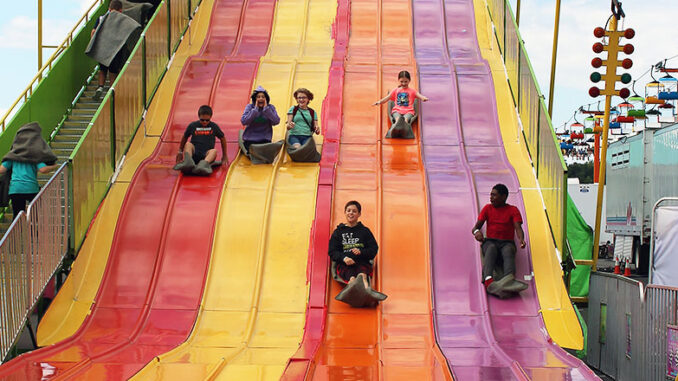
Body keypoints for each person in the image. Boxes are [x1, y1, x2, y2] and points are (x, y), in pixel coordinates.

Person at [471, 184, 527, 295]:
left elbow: (518, 227)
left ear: (503, 197)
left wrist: (521, 239)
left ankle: (509, 279)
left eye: (494, 195)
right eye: (491, 195)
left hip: (506, 242)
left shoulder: (512, 210)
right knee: (491, 248)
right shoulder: (488, 208)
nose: (491, 197)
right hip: (490, 241)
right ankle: (488, 279)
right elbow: (475, 228)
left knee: (508, 250)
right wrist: (477, 233)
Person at [0, 123, 59, 219]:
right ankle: (33, 232)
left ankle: (18, 233)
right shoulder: (34, 155)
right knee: (35, 215)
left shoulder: (13, 156)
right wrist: (54, 167)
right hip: (31, 188)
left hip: (15, 189)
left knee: (17, 217)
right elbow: (43, 169)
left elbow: (2, 170)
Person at [88, 0, 140, 101]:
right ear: (120, 10)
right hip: (115, 50)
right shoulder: (123, 20)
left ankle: (100, 87)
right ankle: (112, 91)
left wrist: (94, 44)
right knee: (113, 71)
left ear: (109, 9)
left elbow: (93, 31)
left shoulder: (101, 18)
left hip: (102, 49)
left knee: (102, 69)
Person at [328, 200, 379, 288]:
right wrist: (344, 258)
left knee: (362, 276)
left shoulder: (365, 231)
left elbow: (373, 249)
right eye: (349, 211)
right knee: (351, 278)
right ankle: (352, 289)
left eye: (354, 211)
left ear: (359, 214)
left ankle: (366, 292)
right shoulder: (338, 232)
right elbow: (332, 251)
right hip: (345, 264)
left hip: (361, 262)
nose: (351, 213)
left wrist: (361, 252)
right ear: (345, 212)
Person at [174, 105, 227, 176]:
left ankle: (203, 164)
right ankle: (188, 161)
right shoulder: (193, 125)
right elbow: (185, 137)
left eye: (207, 120)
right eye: (202, 120)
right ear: (199, 116)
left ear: (210, 117)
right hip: (194, 154)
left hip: (206, 156)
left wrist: (224, 155)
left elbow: (222, 138)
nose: (205, 122)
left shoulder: (214, 126)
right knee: (188, 144)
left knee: (213, 151)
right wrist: (180, 152)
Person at [240, 86, 281, 151]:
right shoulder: (250, 107)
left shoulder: (270, 108)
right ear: (255, 99)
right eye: (258, 97)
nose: (261, 99)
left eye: (263, 97)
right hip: (250, 140)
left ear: (266, 99)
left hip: (264, 140)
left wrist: (266, 110)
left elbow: (276, 121)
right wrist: (255, 110)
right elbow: (244, 121)